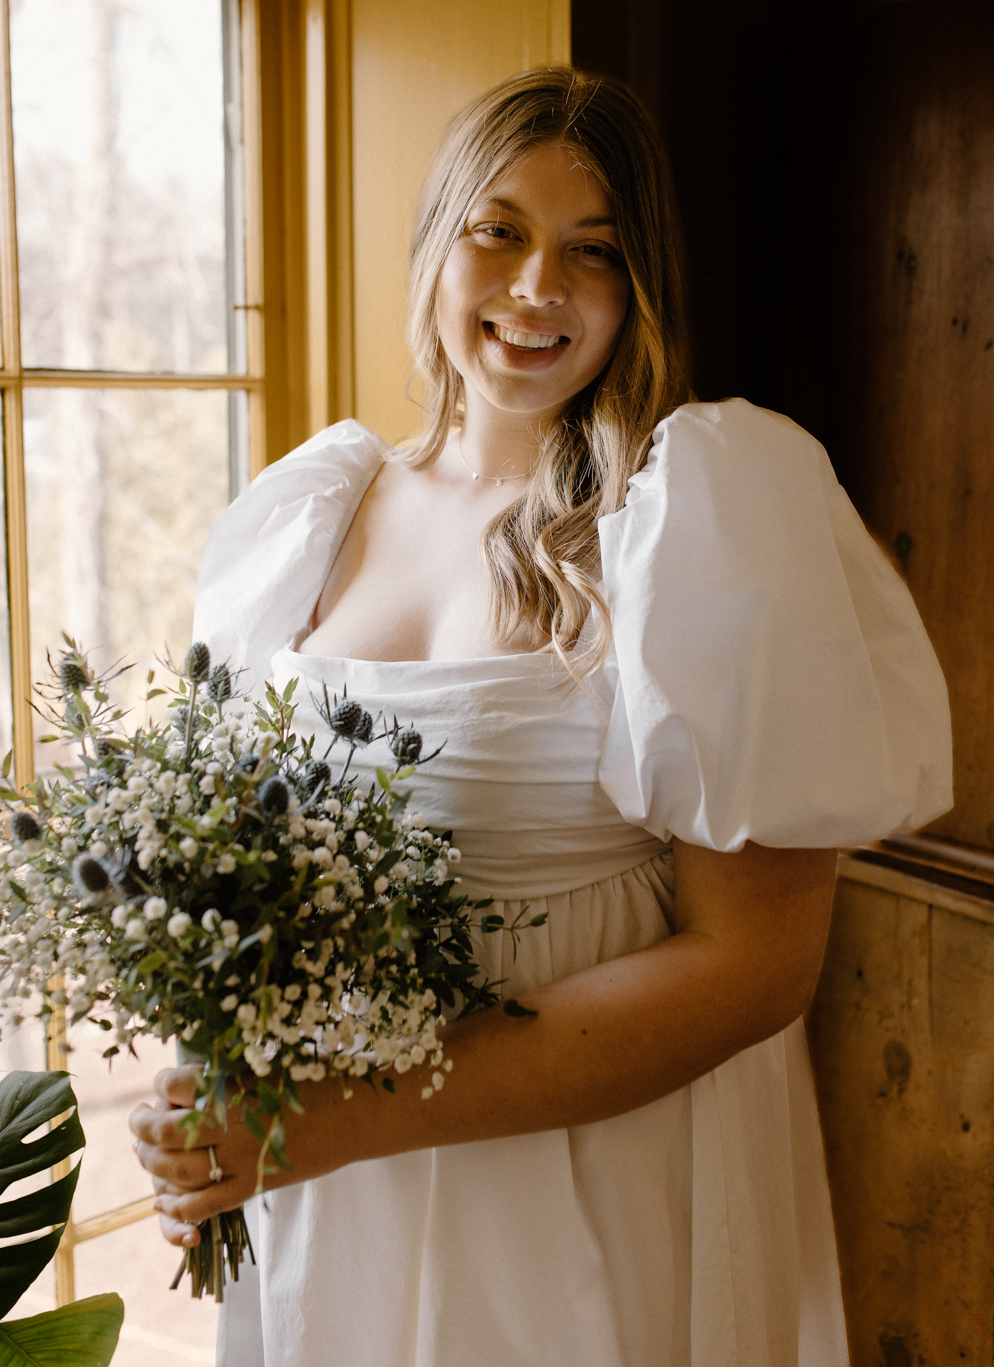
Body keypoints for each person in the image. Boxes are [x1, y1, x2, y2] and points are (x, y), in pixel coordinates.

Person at [130, 68, 951, 1367]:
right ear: (435, 247)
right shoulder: (310, 513)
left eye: (593, 252)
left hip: (584, 1178)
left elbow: (758, 970)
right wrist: (221, 1078)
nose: (534, 289)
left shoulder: (702, 519)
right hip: (331, 1176)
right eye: (498, 231)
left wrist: (347, 1116)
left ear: (643, 289)